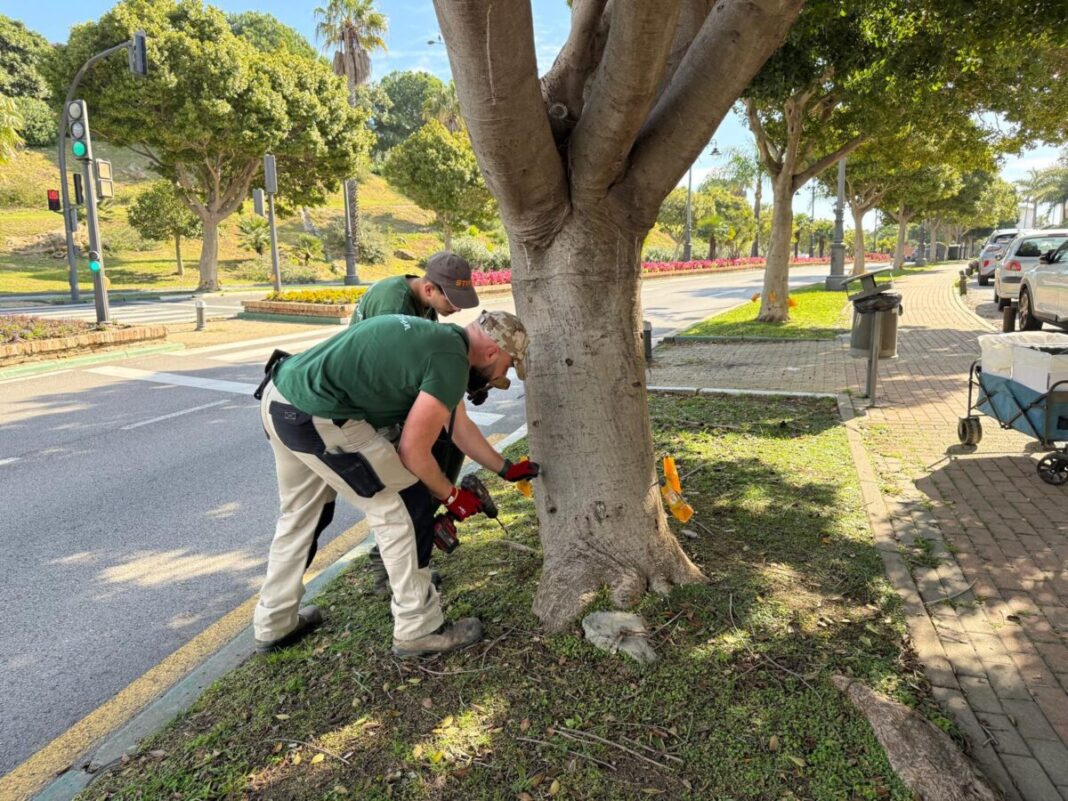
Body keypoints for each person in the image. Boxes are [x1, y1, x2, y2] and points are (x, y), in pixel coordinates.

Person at [253, 310, 540, 657]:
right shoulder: (449, 363)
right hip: (319, 416)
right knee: (405, 508)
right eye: (507, 368)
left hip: (282, 397)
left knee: (301, 516)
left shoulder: (442, 340)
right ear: (493, 352)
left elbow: (458, 427)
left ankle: (275, 622)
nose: (499, 378)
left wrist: (506, 469)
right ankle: (418, 627)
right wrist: (451, 496)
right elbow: (413, 453)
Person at [351, 251, 479, 324]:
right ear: (429, 290)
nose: (458, 309)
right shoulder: (395, 308)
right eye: (451, 300)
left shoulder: (425, 295)